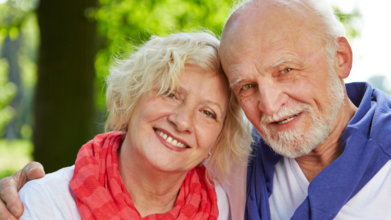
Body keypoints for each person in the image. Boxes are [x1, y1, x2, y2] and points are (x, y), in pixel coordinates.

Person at [2, 0, 391, 219]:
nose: (270, 105)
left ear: (340, 58)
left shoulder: (221, 194)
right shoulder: (243, 164)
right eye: (248, 87)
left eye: (286, 70)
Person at [0, 32, 252, 220]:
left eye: (208, 112)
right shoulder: (44, 203)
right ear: (132, 97)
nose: (182, 121)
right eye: (170, 93)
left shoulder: (221, 208)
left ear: (218, 139)